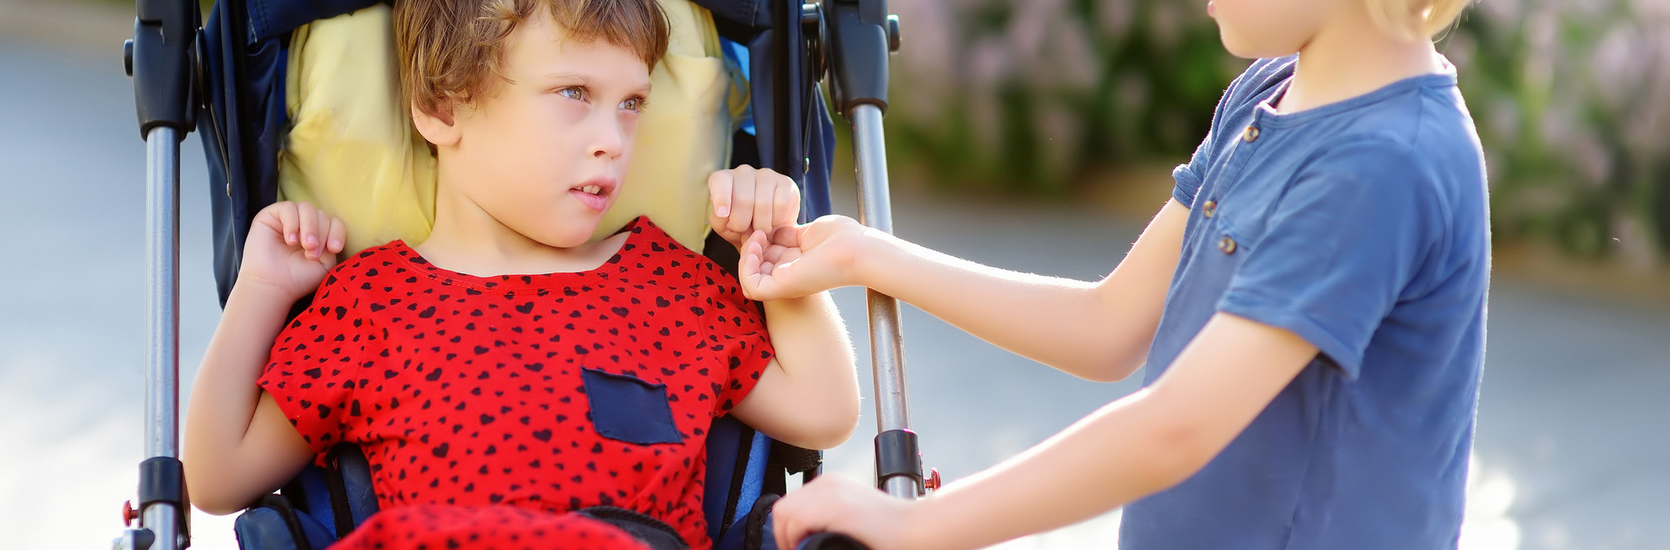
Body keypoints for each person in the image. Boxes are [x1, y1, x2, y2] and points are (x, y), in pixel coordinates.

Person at [754, 0, 1488, 547]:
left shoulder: (1382, 164)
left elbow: (1178, 427)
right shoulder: (1272, 91)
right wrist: (867, 255)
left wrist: (917, 526)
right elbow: (1107, 326)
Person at [181, 0, 860, 548]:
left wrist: (777, 255)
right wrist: (261, 290)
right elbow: (215, 477)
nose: (613, 141)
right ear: (443, 108)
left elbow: (823, 413)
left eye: (631, 103)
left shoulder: (670, 283)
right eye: (574, 92)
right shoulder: (369, 302)